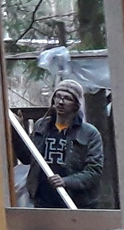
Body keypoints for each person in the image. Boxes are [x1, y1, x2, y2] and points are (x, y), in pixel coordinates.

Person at [23, 80, 105, 209]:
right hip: (43, 202)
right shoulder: (41, 126)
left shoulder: (89, 133)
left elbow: (93, 172)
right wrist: (16, 134)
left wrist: (65, 181)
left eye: (67, 99)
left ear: (76, 105)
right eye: (58, 97)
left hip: (76, 203)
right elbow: (26, 158)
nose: (61, 102)